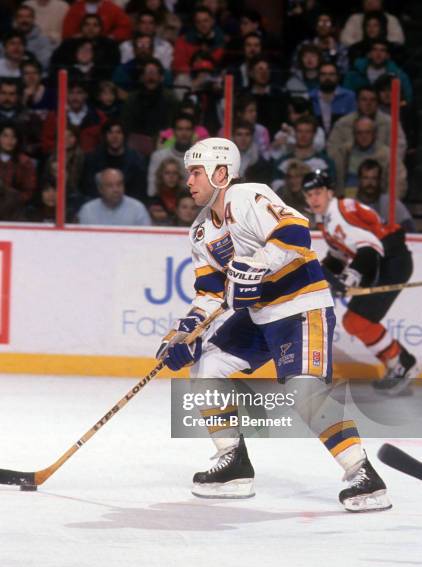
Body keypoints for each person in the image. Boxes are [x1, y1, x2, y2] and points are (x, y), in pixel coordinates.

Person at [156, 136, 391, 512]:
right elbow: (211, 292)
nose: (189, 181)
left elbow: (296, 231)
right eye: (189, 173)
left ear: (221, 172)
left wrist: (259, 263)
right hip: (258, 316)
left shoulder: (247, 196)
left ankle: (362, 473)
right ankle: (233, 463)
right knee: (207, 365)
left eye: (196, 172)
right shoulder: (200, 231)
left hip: (301, 306)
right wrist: (186, 333)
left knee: (304, 392)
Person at [303, 169, 417, 394]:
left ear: (329, 192)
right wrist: (324, 279)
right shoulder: (327, 220)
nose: (313, 199)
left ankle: (402, 363)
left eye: (317, 192)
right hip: (384, 259)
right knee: (355, 321)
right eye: (309, 195)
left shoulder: (338, 215)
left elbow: (370, 248)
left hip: (391, 260)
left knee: (357, 321)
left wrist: (351, 276)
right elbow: (339, 256)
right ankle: (400, 362)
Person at [329, 116, 407, 198]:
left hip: (376, 202)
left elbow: (399, 183)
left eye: (368, 132)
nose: (363, 136)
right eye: (359, 133)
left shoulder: (387, 155)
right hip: (345, 201)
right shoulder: (342, 153)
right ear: (354, 134)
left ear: (375, 134)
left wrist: (387, 204)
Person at [327, 85, 407, 160]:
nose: (368, 104)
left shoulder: (390, 123)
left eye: (372, 100)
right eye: (364, 99)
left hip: (382, 169)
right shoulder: (342, 124)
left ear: (377, 103)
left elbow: (399, 149)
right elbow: (332, 150)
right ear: (357, 102)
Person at [81, 119, 147, 200]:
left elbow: (139, 191)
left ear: (124, 136)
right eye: (110, 132)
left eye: (118, 132)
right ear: (105, 136)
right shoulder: (92, 158)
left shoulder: (137, 160)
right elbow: (88, 188)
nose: (114, 136)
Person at [344, 40, 412, 104]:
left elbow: (407, 99)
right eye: (374, 50)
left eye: (382, 50)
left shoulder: (399, 75)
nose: (378, 53)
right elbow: (346, 99)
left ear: (388, 56)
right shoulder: (354, 74)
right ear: (369, 54)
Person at [356, 159, 415, 232]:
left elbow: (410, 230)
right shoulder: (350, 205)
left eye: (374, 178)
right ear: (359, 180)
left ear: (380, 180)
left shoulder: (391, 203)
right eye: (366, 178)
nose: (370, 183)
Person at [77, 168, 151, 225]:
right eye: (110, 185)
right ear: (100, 189)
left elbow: (146, 239)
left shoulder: (137, 209)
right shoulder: (87, 210)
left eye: (119, 184)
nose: (116, 189)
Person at [147, 113, 194, 196]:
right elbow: (151, 191)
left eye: (188, 129)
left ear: (193, 132)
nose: (184, 133)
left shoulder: (202, 159)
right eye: (180, 129)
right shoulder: (158, 156)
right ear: (174, 132)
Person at [309, 61, 356, 135]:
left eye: (331, 74)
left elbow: (353, 123)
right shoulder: (310, 97)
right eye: (323, 74)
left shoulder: (349, 96)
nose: (327, 77)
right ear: (318, 77)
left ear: (337, 76)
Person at [340, 0, 404, 47]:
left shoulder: (391, 19)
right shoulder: (354, 19)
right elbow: (344, 40)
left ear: (381, 2)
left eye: (374, 1)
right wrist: (364, 47)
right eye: (367, 1)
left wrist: (378, 48)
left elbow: (398, 41)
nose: (370, 3)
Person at [62, 0, 132, 42]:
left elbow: (125, 26)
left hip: (104, 47)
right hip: (79, 45)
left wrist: (111, 37)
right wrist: (76, 37)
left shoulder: (111, 8)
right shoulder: (76, 8)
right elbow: (68, 32)